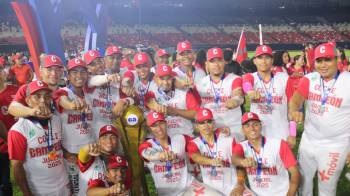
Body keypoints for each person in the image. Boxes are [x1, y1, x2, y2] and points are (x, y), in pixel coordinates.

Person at [289, 43, 350, 196]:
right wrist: (294, 111)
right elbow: (295, 100)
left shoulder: (347, 81)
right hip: (309, 140)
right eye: (319, 60)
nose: (323, 65)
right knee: (303, 182)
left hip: (335, 145)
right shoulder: (310, 78)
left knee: (327, 187)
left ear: (337, 60)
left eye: (327, 60)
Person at [7, 81, 70, 196]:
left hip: (63, 184)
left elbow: (58, 146)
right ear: (28, 101)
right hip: (40, 190)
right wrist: (27, 193)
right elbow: (17, 167)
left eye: (46, 96)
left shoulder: (56, 120)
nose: (42, 100)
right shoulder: (18, 130)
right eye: (37, 96)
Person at [139, 111, 221, 196]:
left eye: (161, 123)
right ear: (149, 128)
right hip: (167, 193)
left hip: (189, 186)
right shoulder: (148, 145)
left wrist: (218, 132)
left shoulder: (180, 138)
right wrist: (159, 155)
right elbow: (144, 152)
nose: (159, 128)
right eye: (154, 125)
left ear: (166, 124)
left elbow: (201, 141)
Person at [53, 58, 96, 195]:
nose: (79, 75)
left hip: (92, 153)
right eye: (75, 72)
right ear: (68, 75)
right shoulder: (64, 92)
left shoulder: (89, 95)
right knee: (77, 192)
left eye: (83, 71)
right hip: (72, 155)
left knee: (92, 189)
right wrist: (72, 105)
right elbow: (61, 100)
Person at [232, 112, 300, 196]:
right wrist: (242, 161)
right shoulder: (241, 146)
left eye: (255, 124)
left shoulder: (279, 144)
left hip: (282, 193)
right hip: (256, 194)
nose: (252, 129)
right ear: (242, 129)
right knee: (237, 193)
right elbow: (234, 159)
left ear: (261, 126)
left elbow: (295, 173)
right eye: (247, 126)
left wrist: (290, 194)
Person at [187, 108, 251, 195]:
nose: (206, 125)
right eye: (202, 122)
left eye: (209, 121)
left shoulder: (229, 139)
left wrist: (240, 185)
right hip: (209, 190)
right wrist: (211, 161)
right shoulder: (194, 143)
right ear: (197, 126)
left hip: (233, 187)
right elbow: (196, 158)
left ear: (213, 123)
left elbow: (240, 164)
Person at [242, 45, 295, 147]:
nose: (264, 61)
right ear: (254, 61)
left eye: (267, 57)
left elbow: (292, 108)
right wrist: (250, 91)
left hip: (281, 131)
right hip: (258, 132)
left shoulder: (284, 78)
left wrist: (292, 133)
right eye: (260, 58)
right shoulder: (250, 77)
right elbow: (246, 84)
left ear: (272, 60)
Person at [196, 47, 245, 141]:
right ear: (207, 64)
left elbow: (238, 94)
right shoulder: (200, 84)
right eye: (212, 61)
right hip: (211, 130)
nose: (216, 64)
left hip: (233, 129)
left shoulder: (234, 79)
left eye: (219, 60)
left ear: (224, 62)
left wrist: (235, 100)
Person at [144, 64, 200, 136]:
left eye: (168, 78)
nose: (165, 82)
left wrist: (175, 111)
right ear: (156, 79)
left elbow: (196, 114)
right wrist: (156, 106)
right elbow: (149, 101)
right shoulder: (152, 93)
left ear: (173, 79)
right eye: (162, 79)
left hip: (185, 135)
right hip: (164, 139)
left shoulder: (184, 93)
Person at [77, 125, 128, 196]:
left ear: (117, 141)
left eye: (113, 137)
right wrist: (89, 148)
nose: (109, 141)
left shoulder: (119, 160)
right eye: (104, 137)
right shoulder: (91, 156)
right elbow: (83, 153)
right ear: (99, 141)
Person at [8, 54, 64, 119]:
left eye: (57, 70)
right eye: (49, 69)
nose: (54, 73)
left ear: (61, 72)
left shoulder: (65, 91)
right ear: (40, 70)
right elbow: (12, 108)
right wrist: (31, 111)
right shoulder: (27, 88)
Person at [0, 63, 18, 196]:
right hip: (2, 147)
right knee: (4, 183)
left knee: (29, 176)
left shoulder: (15, 90)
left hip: (20, 142)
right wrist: (8, 141)